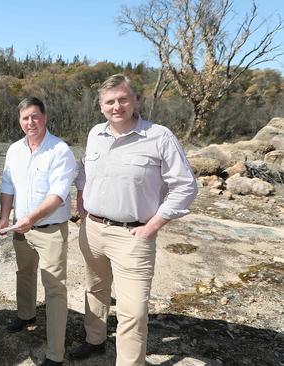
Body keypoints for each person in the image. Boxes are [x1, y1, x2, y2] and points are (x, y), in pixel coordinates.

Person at [70, 74, 197, 365]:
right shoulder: (95, 135)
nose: (117, 106)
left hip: (134, 236)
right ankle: (95, 340)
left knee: (134, 311)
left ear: (135, 100)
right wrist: (81, 202)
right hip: (93, 231)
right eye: (109, 101)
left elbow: (186, 185)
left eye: (122, 99)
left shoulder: (159, 136)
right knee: (96, 290)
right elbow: (83, 173)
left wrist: (154, 224)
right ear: (101, 106)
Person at [0, 97, 77, 366]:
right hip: (21, 228)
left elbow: (57, 195)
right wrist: (5, 217)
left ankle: (55, 353)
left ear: (45, 117)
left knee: (54, 288)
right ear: (19, 121)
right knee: (24, 274)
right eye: (25, 118)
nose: (30, 122)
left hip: (50, 230)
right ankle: (26, 314)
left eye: (35, 116)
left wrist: (30, 218)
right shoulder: (14, 150)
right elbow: (8, 187)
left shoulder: (60, 150)